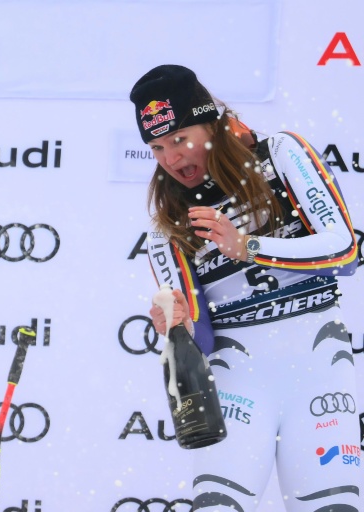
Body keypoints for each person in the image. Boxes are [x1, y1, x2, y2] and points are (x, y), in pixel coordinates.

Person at [130, 64, 360, 511]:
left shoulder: (282, 154)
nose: (172, 160)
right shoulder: (166, 224)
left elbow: (345, 250)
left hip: (319, 373)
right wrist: (176, 324)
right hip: (237, 386)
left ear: (211, 123)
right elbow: (203, 336)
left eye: (180, 139)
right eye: (158, 148)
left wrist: (250, 246)